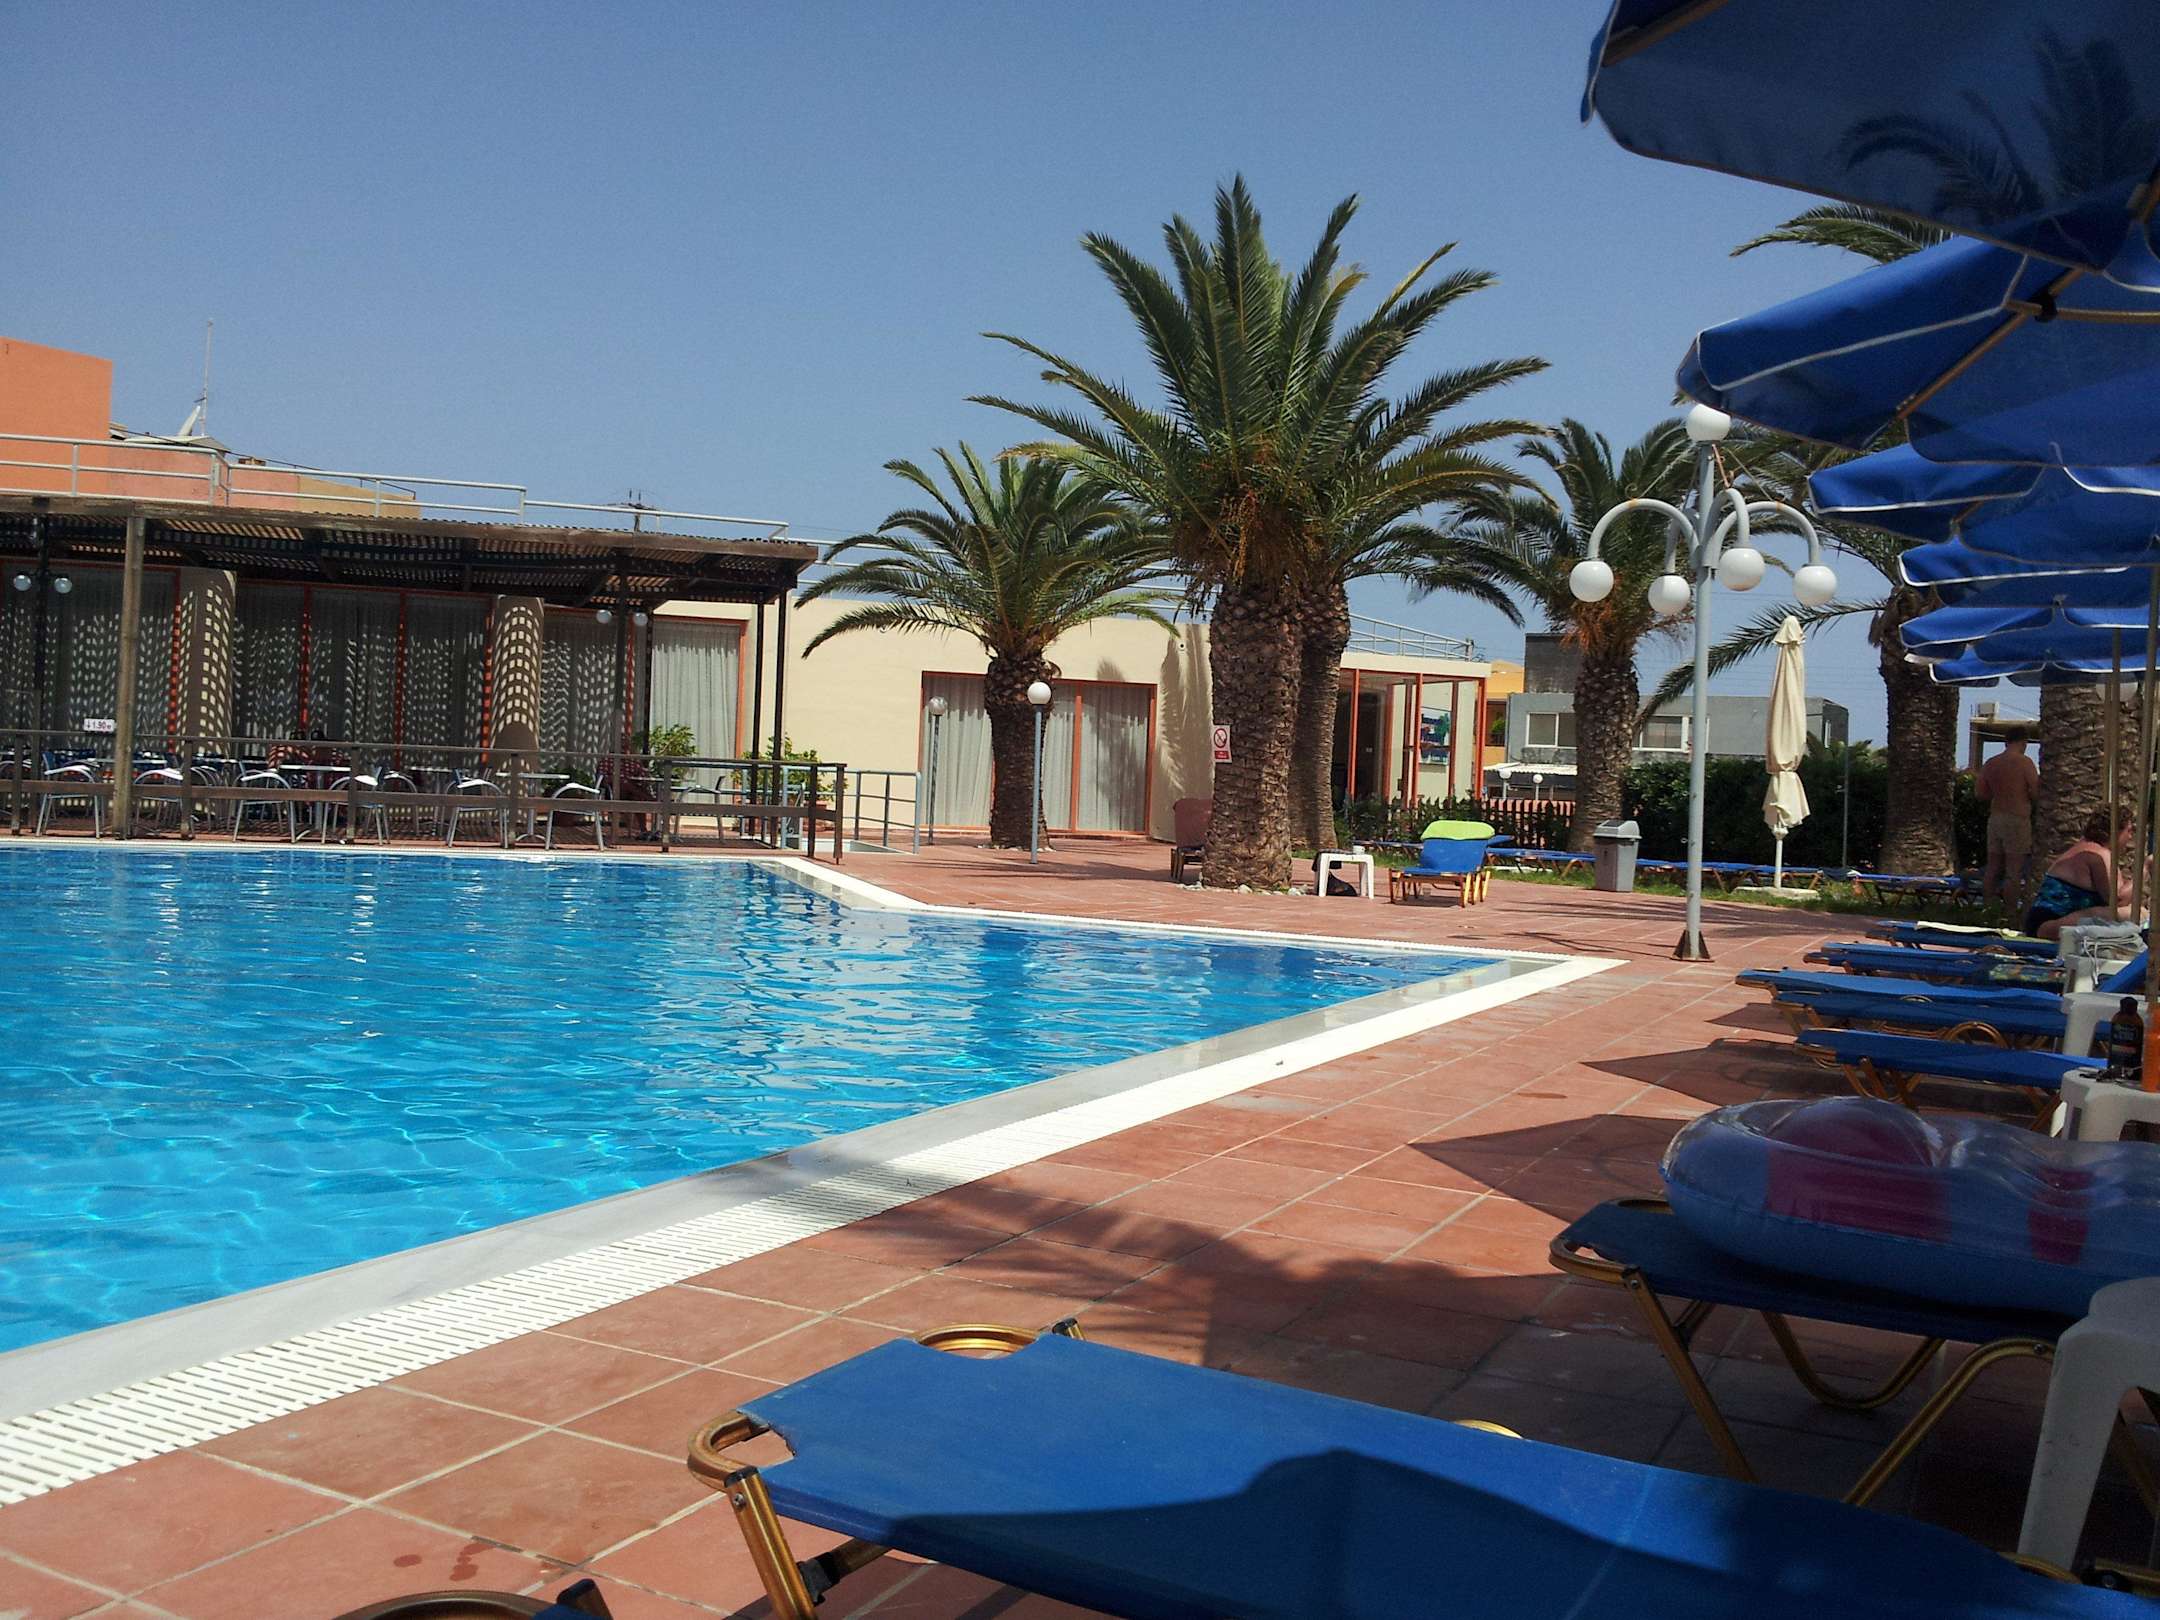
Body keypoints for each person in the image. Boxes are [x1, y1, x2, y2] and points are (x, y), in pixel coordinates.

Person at [2025, 811, 2137, 941]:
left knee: (2134, 912)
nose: (2130, 837)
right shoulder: (2099, 854)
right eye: (2129, 831)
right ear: (2116, 831)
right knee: (2131, 913)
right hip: (2049, 926)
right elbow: (2118, 901)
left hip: (2040, 924)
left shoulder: (2085, 847)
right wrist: (2145, 867)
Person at [1976, 737, 2039, 904]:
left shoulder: (1991, 763)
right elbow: (2036, 791)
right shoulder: (2025, 762)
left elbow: (1980, 793)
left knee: (1992, 868)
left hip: (1995, 818)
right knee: (2014, 870)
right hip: (2017, 818)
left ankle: (1987, 907)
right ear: (2023, 743)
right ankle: (2010, 912)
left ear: (2006, 742)